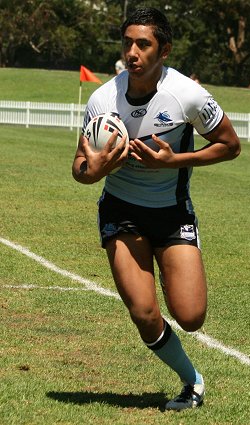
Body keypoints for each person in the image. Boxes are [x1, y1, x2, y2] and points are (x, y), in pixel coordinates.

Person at [72, 7, 241, 411]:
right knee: (145, 312)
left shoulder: (188, 95)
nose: (133, 52)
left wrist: (172, 162)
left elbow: (230, 146)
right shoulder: (101, 99)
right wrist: (92, 171)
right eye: (127, 42)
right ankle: (191, 380)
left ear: (163, 50)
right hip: (121, 211)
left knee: (191, 315)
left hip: (171, 212)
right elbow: (80, 165)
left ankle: (173, 271)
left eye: (143, 44)